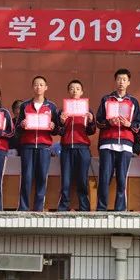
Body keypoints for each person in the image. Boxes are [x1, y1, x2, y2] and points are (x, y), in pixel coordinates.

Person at [95, 68, 140, 211]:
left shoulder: (133, 101)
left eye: (124, 80)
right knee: (104, 178)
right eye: (119, 79)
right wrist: (109, 122)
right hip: (107, 143)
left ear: (128, 82)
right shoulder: (106, 99)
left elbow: (138, 125)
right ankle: (101, 209)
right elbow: (98, 121)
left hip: (126, 144)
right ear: (115, 81)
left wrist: (129, 124)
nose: (121, 82)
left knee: (122, 179)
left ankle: (120, 210)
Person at [15, 76, 60, 212]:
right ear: (32, 87)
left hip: (44, 146)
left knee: (41, 177)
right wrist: (22, 125)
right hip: (27, 146)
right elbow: (17, 128)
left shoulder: (51, 106)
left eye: (41, 85)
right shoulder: (25, 106)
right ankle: (23, 207)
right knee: (27, 177)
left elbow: (57, 129)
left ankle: (39, 208)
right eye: (36, 84)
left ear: (46, 88)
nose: (38, 87)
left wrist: (53, 126)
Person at [58, 79, 96, 212]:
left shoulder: (87, 110)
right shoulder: (63, 110)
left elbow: (91, 131)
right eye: (72, 88)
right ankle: (63, 207)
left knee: (82, 179)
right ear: (68, 91)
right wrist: (61, 122)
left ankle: (84, 207)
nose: (75, 91)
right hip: (67, 148)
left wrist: (91, 121)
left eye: (78, 89)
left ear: (82, 92)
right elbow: (59, 131)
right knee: (66, 180)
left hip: (82, 148)